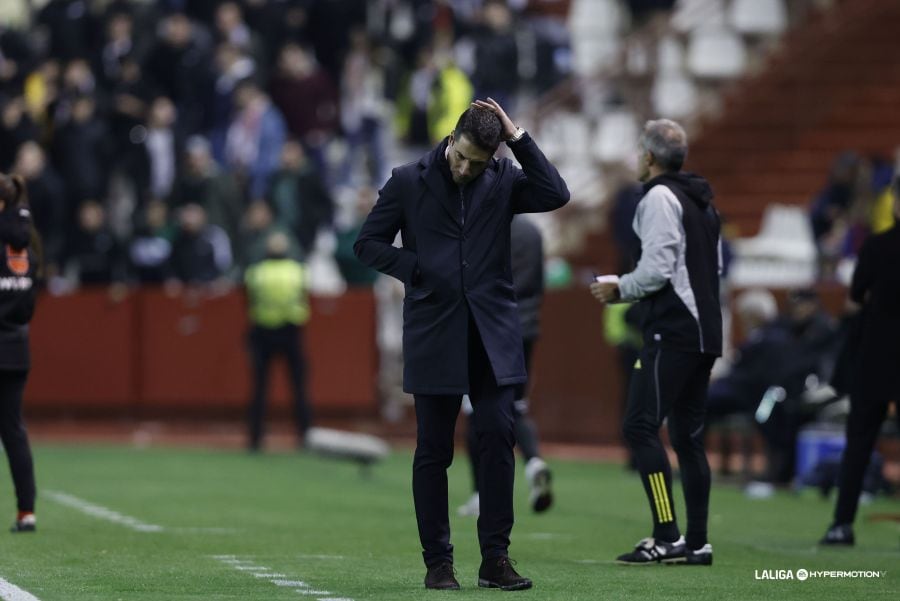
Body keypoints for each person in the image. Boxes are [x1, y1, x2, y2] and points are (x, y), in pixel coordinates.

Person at [354, 99, 569, 591]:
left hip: (493, 334)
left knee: (497, 438)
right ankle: (438, 563)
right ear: (450, 138)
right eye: (462, 157)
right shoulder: (408, 179)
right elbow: (367, 243)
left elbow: (556, 192)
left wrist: (517, 138)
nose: (466, 168)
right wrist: (419, 269)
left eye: (478, 162)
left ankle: (496, 559)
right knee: (434, 450)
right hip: (434, 331)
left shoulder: (505, 178)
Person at [590, 119, 722, 566]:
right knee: (687, 436)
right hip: (705, 331)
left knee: (640, 427)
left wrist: (620, 288)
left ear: (648, 157)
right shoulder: (702, 201)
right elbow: (714, 268)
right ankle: (698, 543)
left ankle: (667, 536)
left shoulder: (659, 197)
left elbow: (658, 268)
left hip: (674, 330)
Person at [820, 178, 900, 546]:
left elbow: (856, 293)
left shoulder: (877, 246)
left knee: (859, 442)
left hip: (876, 358)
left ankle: (842, 523)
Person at [459, 214, 553, 517]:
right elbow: (539, 279)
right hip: (525, 326)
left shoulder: (483, 225)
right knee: (516, 404)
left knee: (476, 407)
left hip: (488, 325)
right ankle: (534, 461)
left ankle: (480, 493)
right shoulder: (532, 230)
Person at [243, 231, 313, 452]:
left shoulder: (255, 273)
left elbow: (248, 300)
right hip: (291, 332)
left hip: (262, 331)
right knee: (299, 388)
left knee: (259, 389)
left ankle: (255, 438)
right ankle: (305, 435)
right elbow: (304, 297)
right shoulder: (298, 272)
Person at [0, 173, 40, 532]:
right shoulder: (28, 249)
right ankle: (26, 512)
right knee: (13, 430)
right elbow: (29, 308)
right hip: (16, 348)